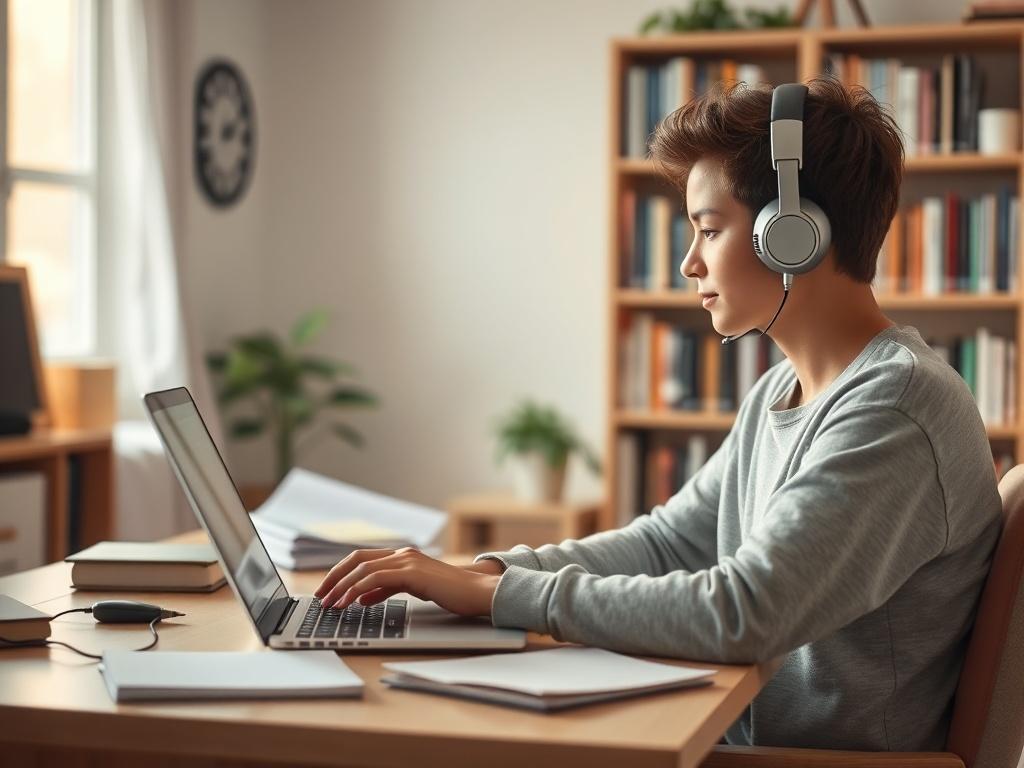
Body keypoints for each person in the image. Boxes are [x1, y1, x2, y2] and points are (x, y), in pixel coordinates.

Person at [315, 77, 1002, 752]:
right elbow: (666, 545)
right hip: (736, 735)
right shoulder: (780, 392)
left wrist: (499, 598)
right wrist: (486, 575)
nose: (687, 262)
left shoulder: (895, 408)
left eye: (708, 230)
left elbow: (743, 613)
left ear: (792, 234)